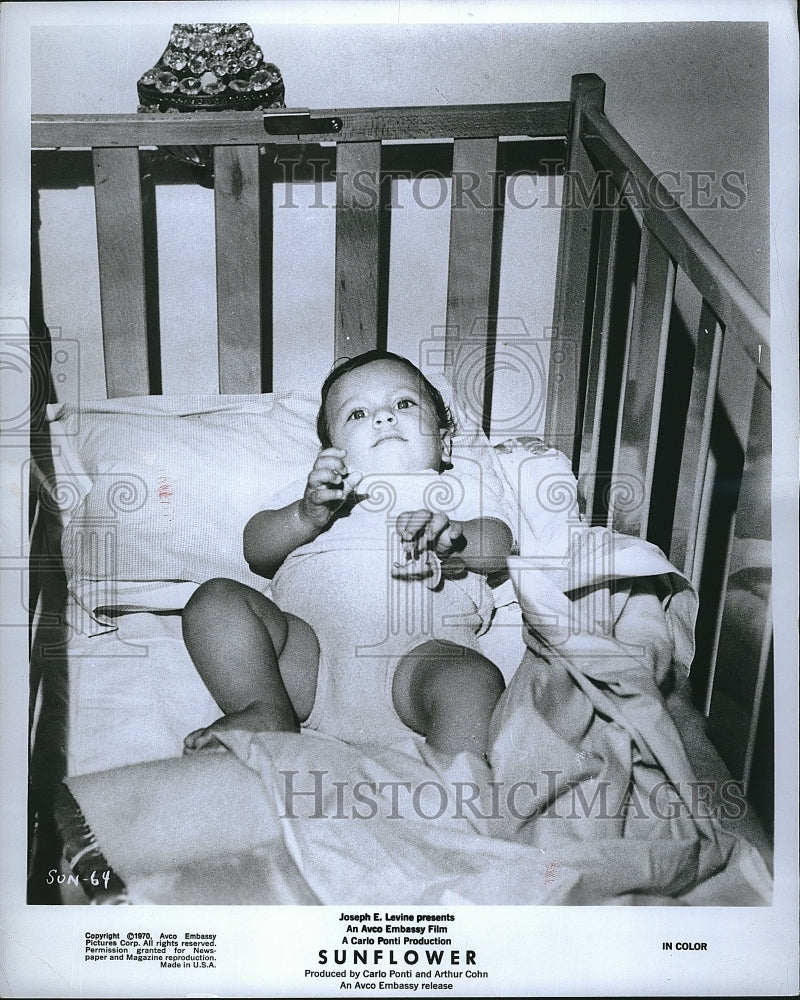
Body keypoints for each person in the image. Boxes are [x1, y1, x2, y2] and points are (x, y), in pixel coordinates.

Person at [181, 350, 513, 762]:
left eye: (403, 404)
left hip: (420, 661)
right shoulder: (322, 494)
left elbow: (500, 545)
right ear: (333, 450)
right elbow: (256, 550)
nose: (383, 417)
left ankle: (456, 782)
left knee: (473, 683)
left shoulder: (457, 488)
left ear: (445, 443)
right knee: (215, 599)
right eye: (357, 414)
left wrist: (456, 537)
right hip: (309, 662)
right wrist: (306, 515)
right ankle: (265, 709)